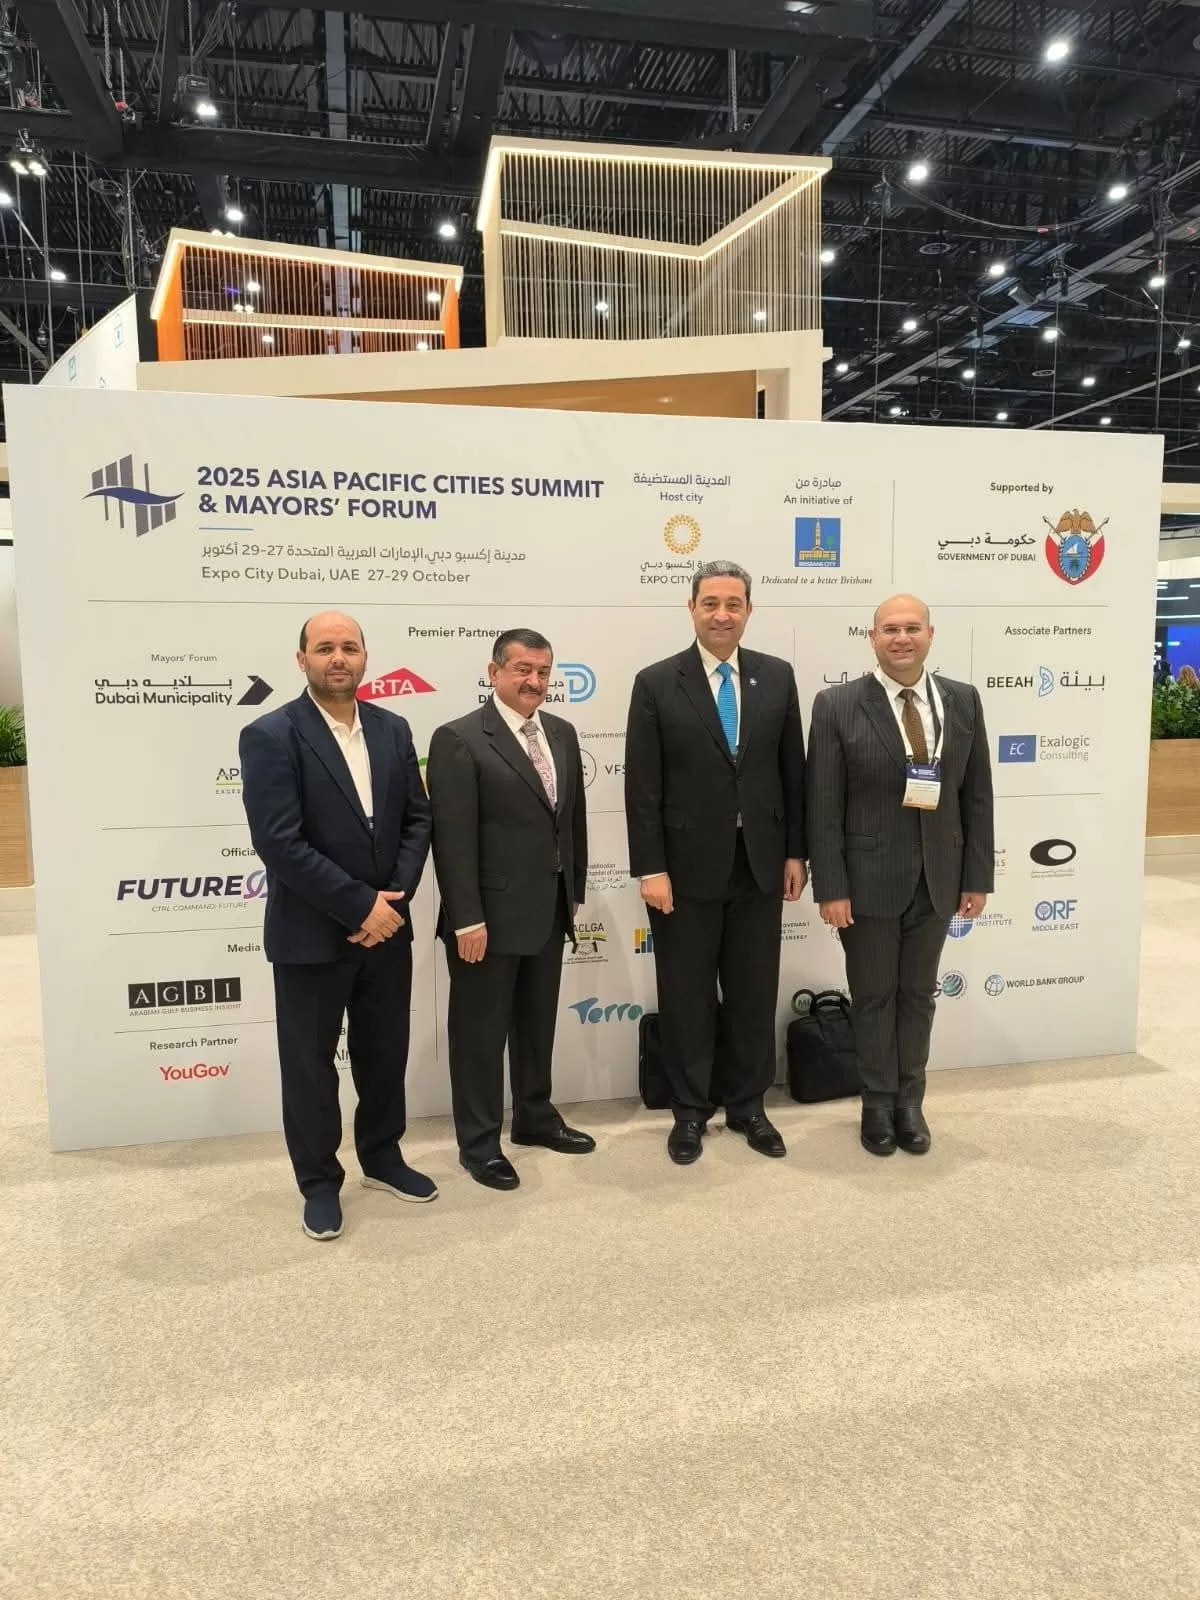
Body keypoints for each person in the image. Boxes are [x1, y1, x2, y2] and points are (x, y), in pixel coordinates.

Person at [239, 611, 434, 1241]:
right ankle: (319, 1182)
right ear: (302, 660)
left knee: (384, 1052)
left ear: (365, 656)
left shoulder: (393, 728)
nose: (339, 658)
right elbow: (279, 841)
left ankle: (382, 1157)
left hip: (387, 931)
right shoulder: (271, 734)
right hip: (310, 934)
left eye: (349, 647)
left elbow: (417, 821)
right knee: (310, 1066)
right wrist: (358, 906)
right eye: (324, 648)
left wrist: (390, 906)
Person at [624, 560, 808, 1165]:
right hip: (682, 872)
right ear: (692, 608)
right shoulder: (656, 682)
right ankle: (689, 1110)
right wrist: (651, 868)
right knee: (687, 996)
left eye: (734, 604)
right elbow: (642, 787)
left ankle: (749, 1106)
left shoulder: (777, 676)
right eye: (711, 604)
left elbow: (792, 773)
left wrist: (795, 851)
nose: (722, 615)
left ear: (749, 610)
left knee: (754, 993)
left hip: (760, 865)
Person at [807, 593, 994, 1157]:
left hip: (938, 878)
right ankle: (876, 1103)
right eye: (890, 629)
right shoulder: (837, 704)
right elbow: (823, 806)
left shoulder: (962, 700)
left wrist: (976, 876)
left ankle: (910, 1102)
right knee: (872, 997)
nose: (902, 638)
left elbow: (976, 795)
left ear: (930, 634)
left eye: (912, 628)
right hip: (866, 883)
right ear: (872, 638)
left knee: (917, 996)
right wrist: (831, 886)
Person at [427, 628, 594, 1191]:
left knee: (536, 1025)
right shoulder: (459, 738)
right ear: (494, 672)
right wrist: (466, 917)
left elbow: (571, 820)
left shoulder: (562, 733)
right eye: (523, 669)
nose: (534, 681)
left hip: (549, 910)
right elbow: (452, 839)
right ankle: (478, 1143)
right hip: (487, 920)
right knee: (479, 1036)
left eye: (543, 672)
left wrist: (574, 890)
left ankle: (534, 1116)